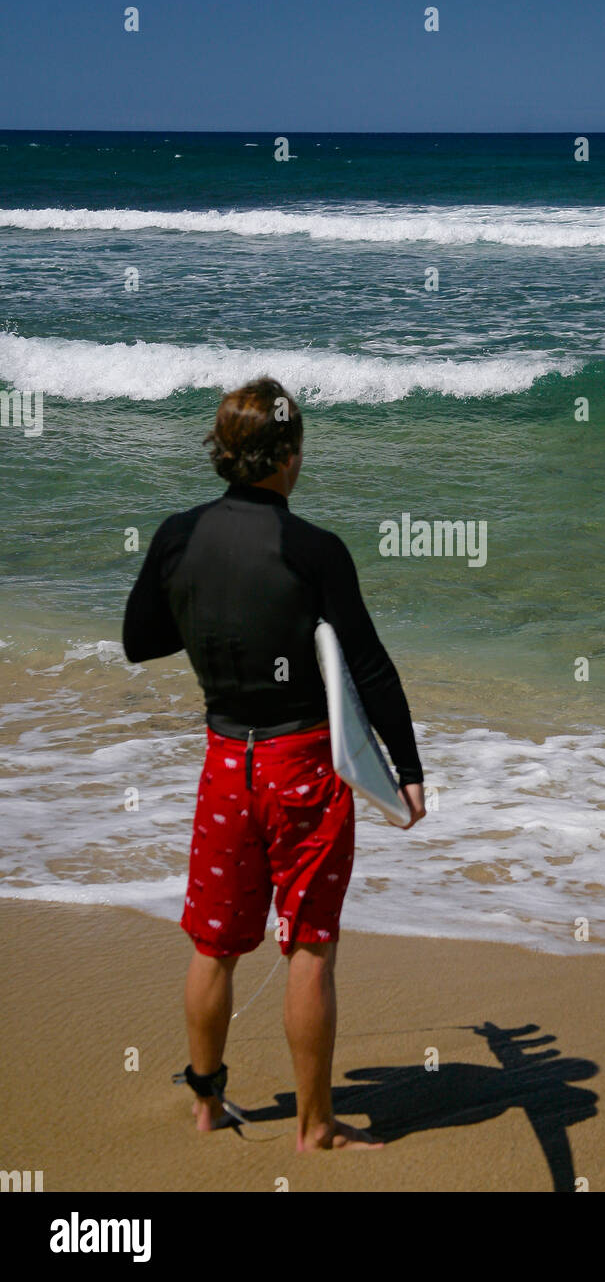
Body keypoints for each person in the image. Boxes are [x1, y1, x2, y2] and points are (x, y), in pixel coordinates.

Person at [122, 377, 425, 1151]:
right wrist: (407, 767)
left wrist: (215, 621)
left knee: (214, 945)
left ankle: (206, 1101)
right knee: (310, 946)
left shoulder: (177, 535)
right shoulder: (314, 549)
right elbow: (368, 666)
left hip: (227, 761)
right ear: (287, 458)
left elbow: (140, 639)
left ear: (225, 454)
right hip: (303, 769)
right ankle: (315, 1126)